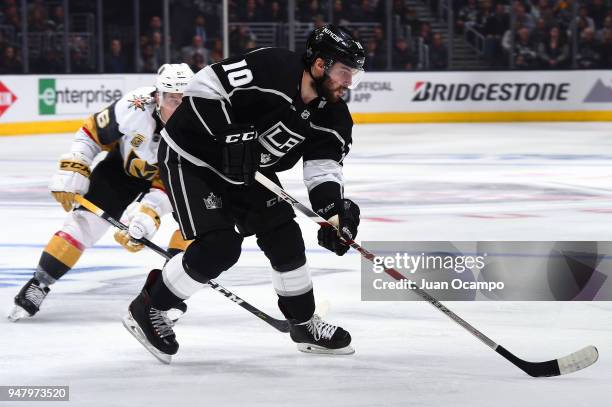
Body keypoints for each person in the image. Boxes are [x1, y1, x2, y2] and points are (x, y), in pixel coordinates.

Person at [122, 25, 365, 363]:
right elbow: (204, 84)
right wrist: (230, 135)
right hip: (192, 156)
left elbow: (322, 169)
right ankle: (149, 307)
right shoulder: (274, 67)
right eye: (344, 72)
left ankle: (304, 324)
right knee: (219, 246)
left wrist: (334, 212)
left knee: (285, 236)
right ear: (321, 65)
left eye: (354, 75)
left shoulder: (333, 116)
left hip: (248, 170)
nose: (349, 82)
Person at [8, 64, 195, 322]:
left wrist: (149, 213)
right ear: (157, 96)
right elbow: (92, 131)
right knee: (83, 223)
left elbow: (179, 179)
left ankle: (167, 298)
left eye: (185, 99)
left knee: (194, 231)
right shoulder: (135, 105)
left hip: (174, 182)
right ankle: (39, 283)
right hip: (121, 169)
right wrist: (76, 162)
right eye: (172, 98)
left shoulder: (201, 126)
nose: (179, 106)